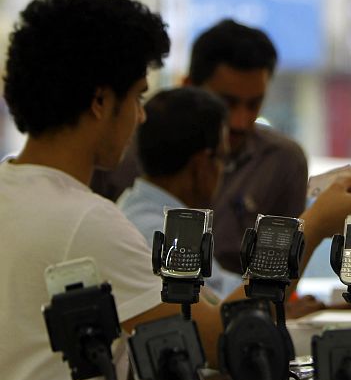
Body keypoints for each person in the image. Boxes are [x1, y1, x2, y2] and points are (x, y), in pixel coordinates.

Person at [0, 0, 351, 380]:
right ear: (101, 101)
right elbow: (225, 338)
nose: (142, 117)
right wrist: (312, 226)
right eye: (139, 96)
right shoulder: (87, 222)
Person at [92, 19, 309, 276]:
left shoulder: (282, 162)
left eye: (254, 104)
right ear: (188, 88)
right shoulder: (119, 152)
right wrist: (317, 222)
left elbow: (279, 276)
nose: (239, 122)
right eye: (226, 103)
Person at [117, 87, 324, 314]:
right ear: (202, 165)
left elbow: (220, 285)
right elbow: (219, 313)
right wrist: (317, 223)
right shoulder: (162, 233)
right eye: (223, 158)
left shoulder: (142, 214)